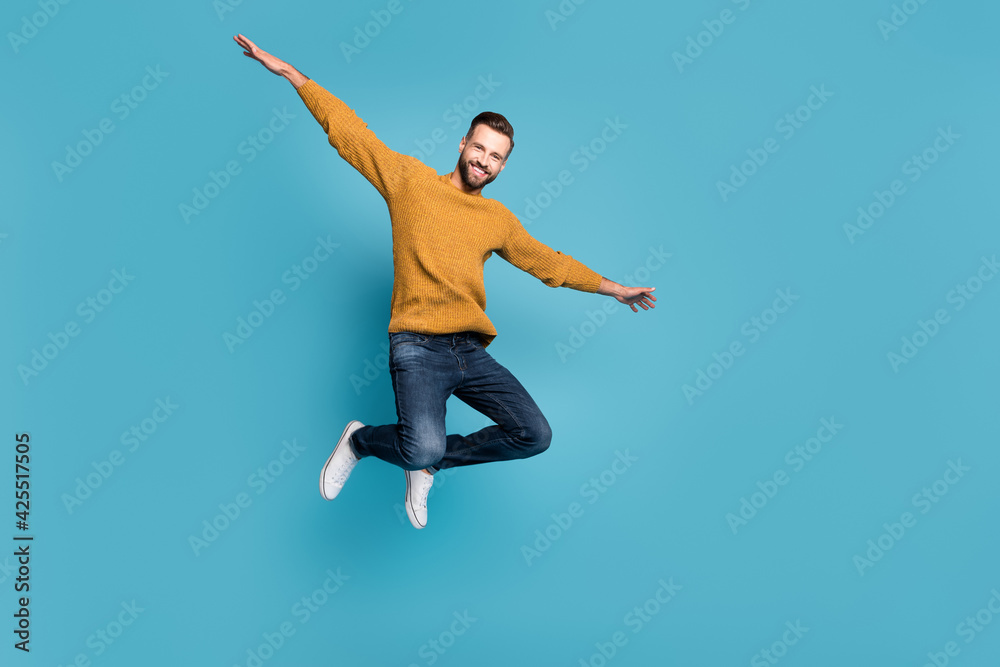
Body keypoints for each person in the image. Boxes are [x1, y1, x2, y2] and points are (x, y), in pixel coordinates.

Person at [233, 34, 656, 529]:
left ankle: (431, 463)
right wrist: (292, 75)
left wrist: (616, 289)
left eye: (496, 156)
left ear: (502, 166)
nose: (484, 160)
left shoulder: (496, 219)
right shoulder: (410, 183)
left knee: (533, 435)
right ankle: (360, 440)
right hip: (415, 344)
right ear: (463, 144)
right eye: (479, 147)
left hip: (469, 352)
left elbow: (549, 263)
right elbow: (351, 133)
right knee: (419, 445)